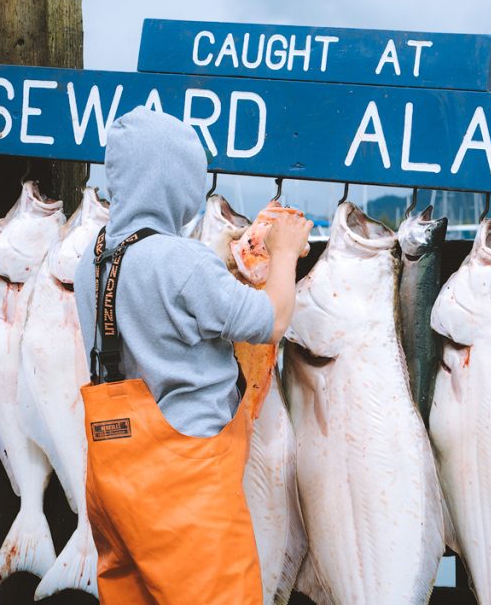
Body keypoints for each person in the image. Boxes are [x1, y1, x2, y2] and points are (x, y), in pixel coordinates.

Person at [73, 105, 312, 605]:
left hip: (112, 478)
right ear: (175, 183)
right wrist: (286, 250)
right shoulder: (181, 261)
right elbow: (272, 321)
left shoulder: (94, 257)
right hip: (186, 491)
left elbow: (165, 313)